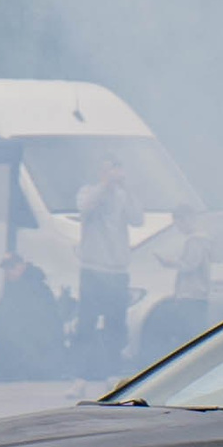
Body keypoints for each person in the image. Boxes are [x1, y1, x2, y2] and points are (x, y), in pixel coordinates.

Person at [74, 154, 142, 377]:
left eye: (116, 170)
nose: (113, 175)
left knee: (116, 324)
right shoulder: (88, 191)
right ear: (100, 173)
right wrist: (104, 185)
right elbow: (84, 207)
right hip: (93, 268)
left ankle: (112, 373)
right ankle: (81, 375)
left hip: (117, 270)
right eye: (108, 170)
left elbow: (137, 219)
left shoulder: (124, 196)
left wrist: (128, 189)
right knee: (86, 323)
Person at [136, 209, 218, 363]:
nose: (179, 229)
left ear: (187, 219)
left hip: (191, 295)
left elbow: (190, 265)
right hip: (199, 295)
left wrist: (170, 262)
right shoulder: (205, 240)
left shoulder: (195, 241)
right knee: (194, 334)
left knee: (188, 336)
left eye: (179, 224)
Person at [0, 253, 64, 380]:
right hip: (27, 330)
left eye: (11, 267)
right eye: (6, 269)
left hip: (41, 334)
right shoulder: (14, 285)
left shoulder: (34, 285)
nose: (8, 272)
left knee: (5, 329)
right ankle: (7, 370)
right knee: (1, 327)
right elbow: (6, 308)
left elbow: (23, 312)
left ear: (22, 266)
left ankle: (14, 370)